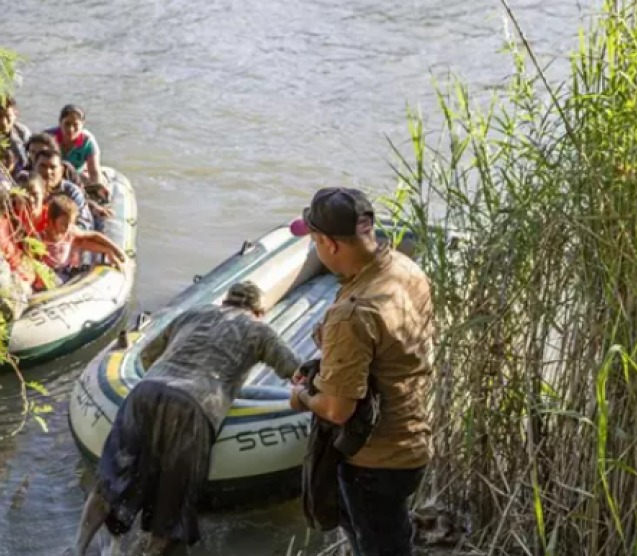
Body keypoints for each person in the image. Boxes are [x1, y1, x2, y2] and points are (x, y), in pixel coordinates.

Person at [70, 281, 304, 556]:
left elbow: (145, 357)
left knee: (109, 482)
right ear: (259, 311)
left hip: (145, 393)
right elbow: (296, 372)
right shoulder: (259, 331)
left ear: (225, 302)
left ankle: (77, 548)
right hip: (194, 405)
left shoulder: (193, 314)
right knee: (172, 509)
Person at [287, 187, 435, 556]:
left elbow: (338, 410)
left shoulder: (351, 312)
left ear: (329, 244)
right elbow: (392, 348)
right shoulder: (405, 268)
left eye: (314, 241)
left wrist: (302, 396)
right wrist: (334, 351)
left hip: (373, 460)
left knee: (375, 546)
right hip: (412, 439)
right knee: (391, 539)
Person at [39, 195, 126, 281]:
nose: (67, 227)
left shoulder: (70, 231)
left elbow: (92, 237)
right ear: (51, 221)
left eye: (70, 223)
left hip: (65, 270)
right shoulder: (42, 237)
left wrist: (111, 250)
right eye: (63, 224)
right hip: (48, 273)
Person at [35, 148, 97, 230]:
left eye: (53, 167)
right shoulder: (25, 188)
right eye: (43, 166)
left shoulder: (72, 192)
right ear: (34, 168)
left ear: (61, 170)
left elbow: (84, 222)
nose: (48, 172)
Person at [45, 104, 105, 188]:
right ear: (60, 122)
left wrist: (96, 189)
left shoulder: (88, 142)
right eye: (67, 124)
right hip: (49, 176)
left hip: (76, 176)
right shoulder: (48, 138)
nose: (71, 129)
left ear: (82, 125)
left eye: (75, 125)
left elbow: (94, 171)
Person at [0, 93, 31, 170]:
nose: (3, 122)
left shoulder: (23, 133)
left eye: (8, 116)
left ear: (15, 114)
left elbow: (29, 161)